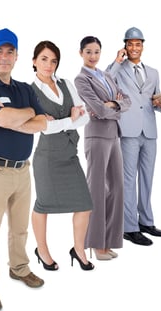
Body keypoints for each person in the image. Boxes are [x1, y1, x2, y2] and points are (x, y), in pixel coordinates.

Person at [0, 28, 46, 311]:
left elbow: (42, 123)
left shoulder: (25, 89)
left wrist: (20, 116)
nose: (4, 57)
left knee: (20, 228)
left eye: (9, 52)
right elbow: (0, 118)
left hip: (22, 171)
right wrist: (24, 113)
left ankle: (20, 267)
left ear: (16, 56)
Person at [30, 40, 94, 271]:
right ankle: (42, 249)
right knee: (43, 205)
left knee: (85, 204)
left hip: (70, 155)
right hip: (46, 158)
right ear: (34, 61)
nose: (49, 65)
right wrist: (69, 118)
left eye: (53, 60)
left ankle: (78, 250)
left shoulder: (66, 83)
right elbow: (43, 127)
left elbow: (86, 117)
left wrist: (60, 121)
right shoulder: (31, 91)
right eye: (44, 59)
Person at [106, 27, 161, 246]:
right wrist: (116, 60)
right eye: (130, 44)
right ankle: (129, 227)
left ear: (142, 46)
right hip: (129, 130)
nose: (134, 48)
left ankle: (146, 222)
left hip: (149, 131)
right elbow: (105, 83)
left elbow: (155, 100)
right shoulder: (118, 69)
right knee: (128, 179)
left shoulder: (153, 72)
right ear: (125, 46)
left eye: (137, 44)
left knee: (148, 178)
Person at [74, 36, 131, 260]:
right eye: (88, 52)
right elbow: (95, 107)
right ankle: (97, 245)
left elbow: (125, 101)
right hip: (96, 136)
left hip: (113, 134)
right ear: (81, 53)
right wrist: (108, 106)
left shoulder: (107, 75)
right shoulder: (81, 79)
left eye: (96, 52)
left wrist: (113, 105)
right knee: (96, 189)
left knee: (118, 187)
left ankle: (110, 241)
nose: (93, 56)